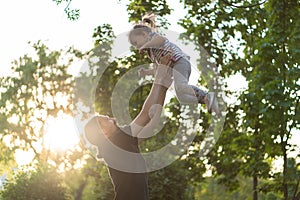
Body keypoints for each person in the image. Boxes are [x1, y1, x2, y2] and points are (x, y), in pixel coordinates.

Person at [84, 58, 173, 200]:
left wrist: (163, 88)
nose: (107, 116)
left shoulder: (121, 141)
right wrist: (159, 78)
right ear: (102, 132)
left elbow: (151, 122)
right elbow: (145, 114)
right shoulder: (114, 143)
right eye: (102, 120)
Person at [128, 14, 220, 116]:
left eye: (136, 43)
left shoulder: (152, 38)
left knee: (181, 86)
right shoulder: (151, 53)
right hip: (175, 67)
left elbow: (161, 40)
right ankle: (205, 99)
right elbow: (160, 68)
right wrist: (147, 72)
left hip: (179, 61)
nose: (137, 47)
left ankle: (207, 95)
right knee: (181, 96)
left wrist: (145, 45)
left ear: (144, 34)